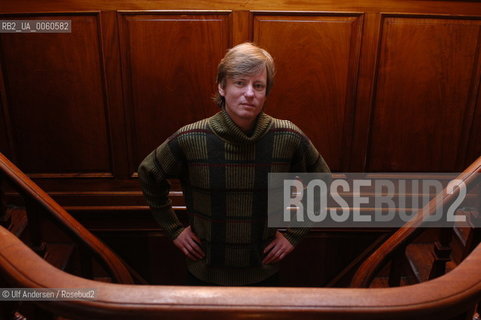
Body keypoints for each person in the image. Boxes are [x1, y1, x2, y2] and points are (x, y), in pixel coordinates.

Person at [138, 42, 330, 286]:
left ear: (266, 92)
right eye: (240, 82)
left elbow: (322, 182)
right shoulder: (191, 137)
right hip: (204, 274)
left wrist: (294, 234)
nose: (249, 93)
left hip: (265, 274)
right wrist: (173, 229)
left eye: (258, 85)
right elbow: (148, 174)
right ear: (222, 87)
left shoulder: (287, 136)